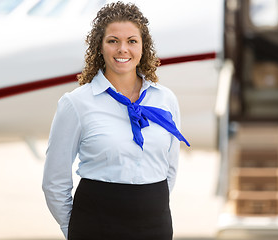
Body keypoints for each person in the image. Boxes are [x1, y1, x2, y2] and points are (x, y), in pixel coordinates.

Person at [42, 2, 190, 240]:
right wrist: (74, 230)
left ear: (143, 48)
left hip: (156, 227)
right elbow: (54, 181)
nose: (123, 49)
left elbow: (169, 168)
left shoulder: (165, 100)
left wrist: (150, 207)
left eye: (132, 41)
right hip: (95, 227)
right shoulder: (76, 103)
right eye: (113, 41)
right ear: (99, 47)